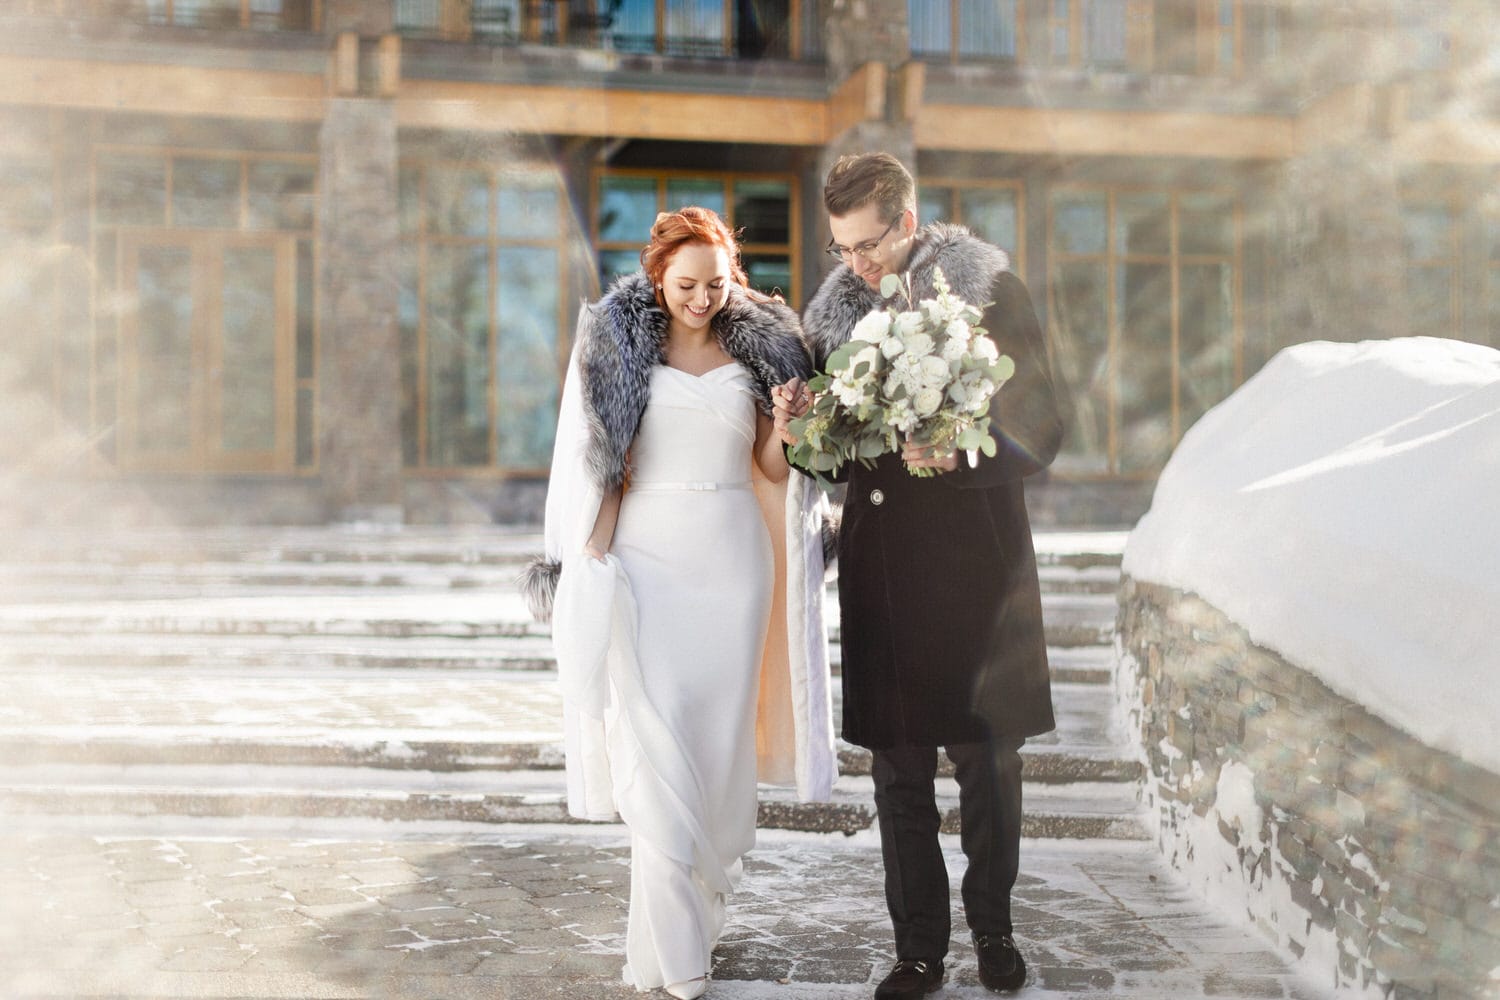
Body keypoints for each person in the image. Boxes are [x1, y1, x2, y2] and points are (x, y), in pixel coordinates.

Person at [524, 207, 836, 1000]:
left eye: (716, 283)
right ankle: (682, 961)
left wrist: (791, 428)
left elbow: (769, 467)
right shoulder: (618, 347)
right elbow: (605, 466)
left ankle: (681, 933)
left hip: (734, 562)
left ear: (733, 278)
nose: (701, 298)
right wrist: (588, 561)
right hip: (648, 566)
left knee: (714, 755)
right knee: (655, 751)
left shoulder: (759, 351)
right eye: (686, 284)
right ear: (658, 278)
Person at [773, 153, 1065, 999]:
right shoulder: (831, 321)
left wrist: (966, 448)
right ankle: (919, 952)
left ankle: (995, 933)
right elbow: (826, 454)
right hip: (885, 572)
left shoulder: (991, 294)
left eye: (866, 245)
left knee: (988, 767)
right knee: (898, 774)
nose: (854, 264)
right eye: (840, 250)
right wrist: (801, 425)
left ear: (906, 222)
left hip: (978, 566)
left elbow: (1048, 420)